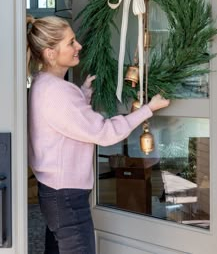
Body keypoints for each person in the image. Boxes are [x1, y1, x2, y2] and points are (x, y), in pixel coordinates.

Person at [27, 15, 170, 254]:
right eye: (71, 43)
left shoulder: (43, 84)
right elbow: (104, 133)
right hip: (66, 199)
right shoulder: (58, 93)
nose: (78, 46)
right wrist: (147, 110)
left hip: (53, 192)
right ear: (50, 53)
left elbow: (64, 123)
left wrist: (82, 95)